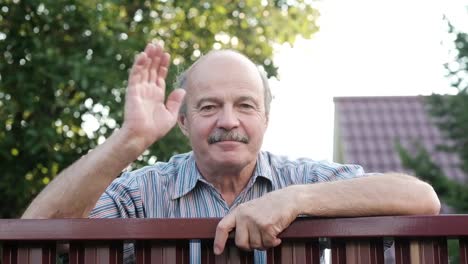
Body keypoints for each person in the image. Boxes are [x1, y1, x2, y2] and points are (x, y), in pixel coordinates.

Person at [22, 43, 440, 262]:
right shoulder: (140, 193)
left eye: (245, 105)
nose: (228, 121)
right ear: (183, 122)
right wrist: (129, 140)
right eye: (209, 107)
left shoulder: (303, 180)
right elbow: (34, 235)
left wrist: (295, 200)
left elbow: (422, 200)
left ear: (265, 119)